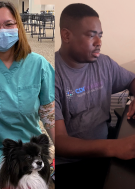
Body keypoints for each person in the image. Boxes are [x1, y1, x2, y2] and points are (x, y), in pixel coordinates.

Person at [0, 2, 55, 188]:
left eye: (9, 24)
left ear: (18, 27)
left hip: (32, 147)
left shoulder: (39, 64)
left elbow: (49, 115)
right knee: (4, 183)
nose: (2, 30)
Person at [55, 3, 135, 188]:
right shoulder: (50, 76)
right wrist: (115, 147)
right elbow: (59, 141)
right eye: (91, 35)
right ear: (66, 35)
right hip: (70, 165)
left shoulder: (104, 63)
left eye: (100, 35)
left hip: (105, 151)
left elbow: (132, 80)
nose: (99, 42)